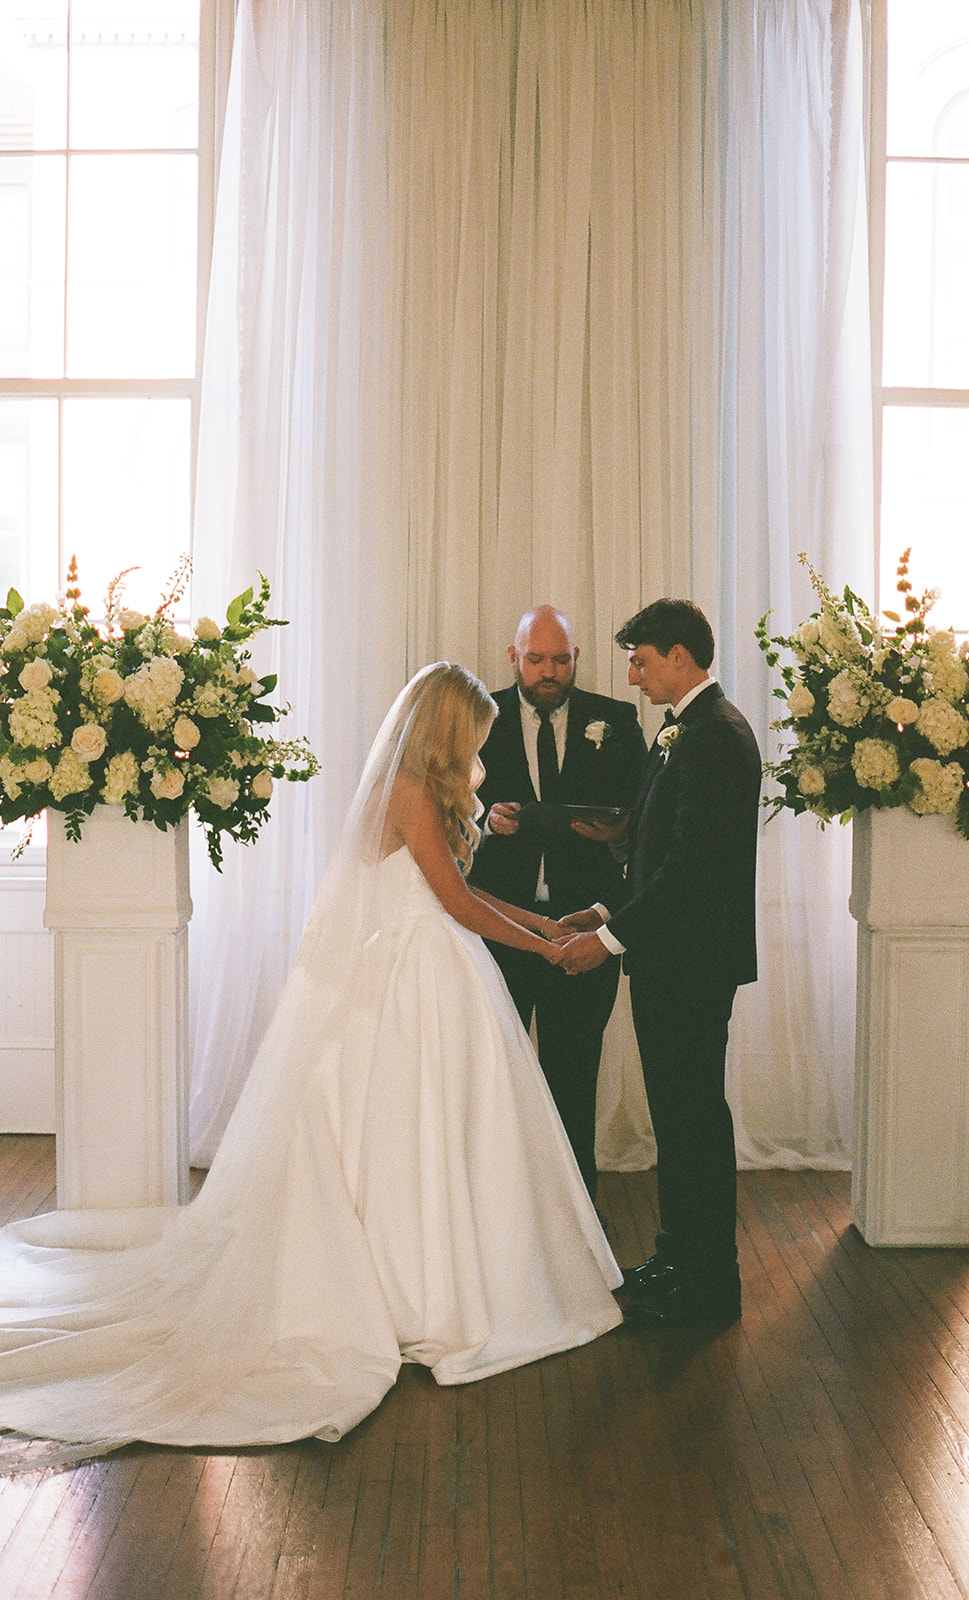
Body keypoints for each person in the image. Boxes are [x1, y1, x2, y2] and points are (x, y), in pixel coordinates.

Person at [0, 664, 621, 1470]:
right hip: (415, 977)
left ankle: (450, 1274)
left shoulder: (418, 790)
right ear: (448, 729)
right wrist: (549, 947)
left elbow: (458, 901)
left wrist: (549, 923)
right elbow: (456, 904)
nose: (482, 753)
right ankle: (419, 1289)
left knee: (444, 1131)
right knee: (412, 1133)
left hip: (434, 965)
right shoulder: (406, 790)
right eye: (475, 736)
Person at [557, 601, 760, 1328]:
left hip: (693, 964)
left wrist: (607, 943)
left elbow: (689, 869)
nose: (633, 675)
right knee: (675, 1119)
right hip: (669, 959)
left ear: (680, 657)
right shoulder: (683, 731)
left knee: (693, 1120)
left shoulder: (714, 735)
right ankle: (678, 1256)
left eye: (641, 660)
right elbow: (650, 852)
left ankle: (709, 1283)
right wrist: (606, 911)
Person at [468, 606, 646, 1199]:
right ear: (513, 657)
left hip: (583, 930)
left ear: (577, 660)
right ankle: (499, 1207)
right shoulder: (477, 717)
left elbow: (642, 822)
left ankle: (577, 1222)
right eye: (537, 659)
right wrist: (485, 820)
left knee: (574, 1079)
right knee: (496, 1079)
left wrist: (616, 833)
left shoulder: (615, 720)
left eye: (561, 660)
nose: (549, 672)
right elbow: (443, 808)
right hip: (497, 926)